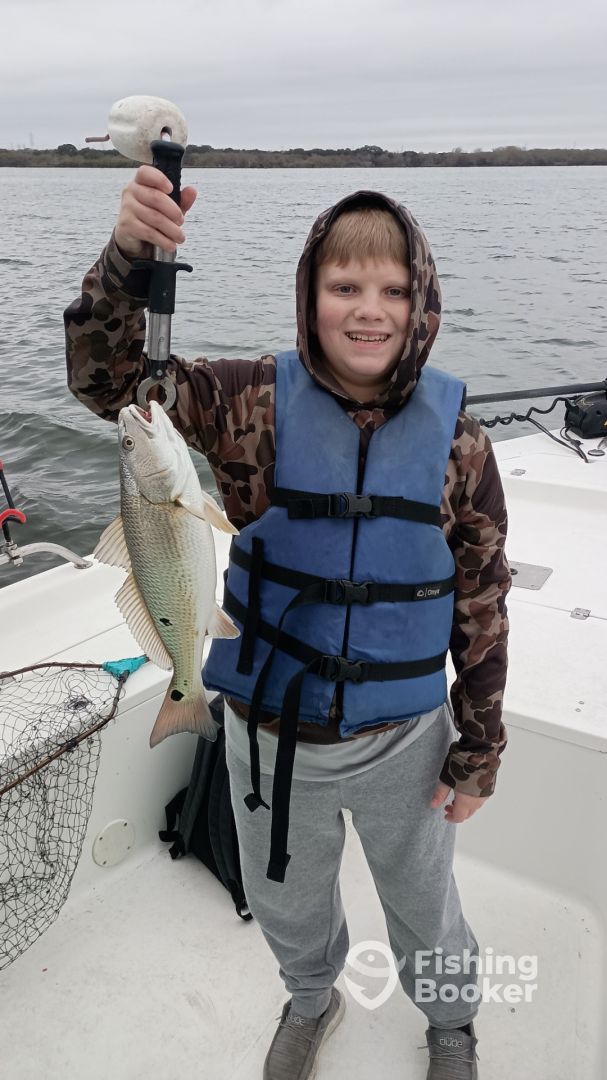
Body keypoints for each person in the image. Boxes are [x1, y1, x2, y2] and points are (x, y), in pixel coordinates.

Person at [65, 167, 511, 1080]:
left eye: (393, 291)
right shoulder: (247, 401)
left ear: (422, 304)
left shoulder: (459, 441)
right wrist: (128, 260)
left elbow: (481, 600)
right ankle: (311, 999)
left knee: (425, 904)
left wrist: (478, 749)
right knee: (286, 897)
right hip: (267, 731)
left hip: (403, 739)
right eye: (344, 286)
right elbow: (110, 384)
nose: (369, 311)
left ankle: (450, 1022)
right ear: (308, 295)